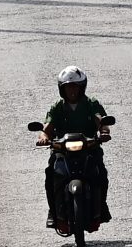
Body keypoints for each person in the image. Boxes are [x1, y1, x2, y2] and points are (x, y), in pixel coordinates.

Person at [37, 65, 114, 232]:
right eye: (68, 87)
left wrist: (104, 133)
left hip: (89, 148)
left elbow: (101, 121)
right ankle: (54, 213)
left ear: (82, 88)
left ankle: (101, 209)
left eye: (75, 87)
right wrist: (43, 138)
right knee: (51, 176)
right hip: (62, 151)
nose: (71, 91)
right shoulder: (57, 106)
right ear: (61, 89)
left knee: (101, 174)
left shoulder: (91, 103)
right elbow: (46, 128)